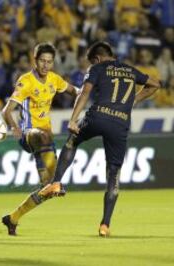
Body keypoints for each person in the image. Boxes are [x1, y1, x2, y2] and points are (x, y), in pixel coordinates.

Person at [39, 42, 160, 237]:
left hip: (99, 115)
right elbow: (155, 84)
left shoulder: (97, 68)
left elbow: (85, 92)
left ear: (96, 59)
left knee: (73, 141)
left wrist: (72, 119)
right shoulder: (130, 70)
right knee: (113, 173)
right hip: (120, 123)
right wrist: (133, 100)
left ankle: (57, 181)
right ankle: (105, 225)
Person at [1, 42, 78, 236]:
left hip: (46, 140)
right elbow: (6, 110)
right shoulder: (25, 81)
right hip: (29, 134)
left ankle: (13, 218)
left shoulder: (54, 79)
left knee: (50, 188)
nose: (45, 65)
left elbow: (75, 91)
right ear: (34, 61)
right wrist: (15, 128)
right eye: (42, 61)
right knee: (41, 135)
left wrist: (90, 88)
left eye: (49, 62)